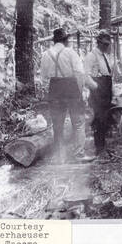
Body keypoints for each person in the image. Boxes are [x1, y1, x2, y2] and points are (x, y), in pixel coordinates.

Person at [41, 28, 97, 163]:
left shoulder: (46, 54)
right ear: (65, 40)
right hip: (71, 88)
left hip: (54, 88)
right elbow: (79, 73)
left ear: (54, 40)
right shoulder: (71, 53)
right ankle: (79, 154)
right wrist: (81, 91)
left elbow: (43, 77)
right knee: (78, 123)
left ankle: (59, 157)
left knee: (57, 124)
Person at [84, 30, 117, 157]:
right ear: (98, 42)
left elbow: (108, 74)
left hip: (106, 89)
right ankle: (99, 148)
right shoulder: (91, 56)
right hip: (98, 91)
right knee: (99, 119)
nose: (106, 46)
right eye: (103, 44)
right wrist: (96, 86)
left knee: (105, 119)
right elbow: (85, 75)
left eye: (107, 44)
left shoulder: (105, 55)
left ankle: (103, 146)